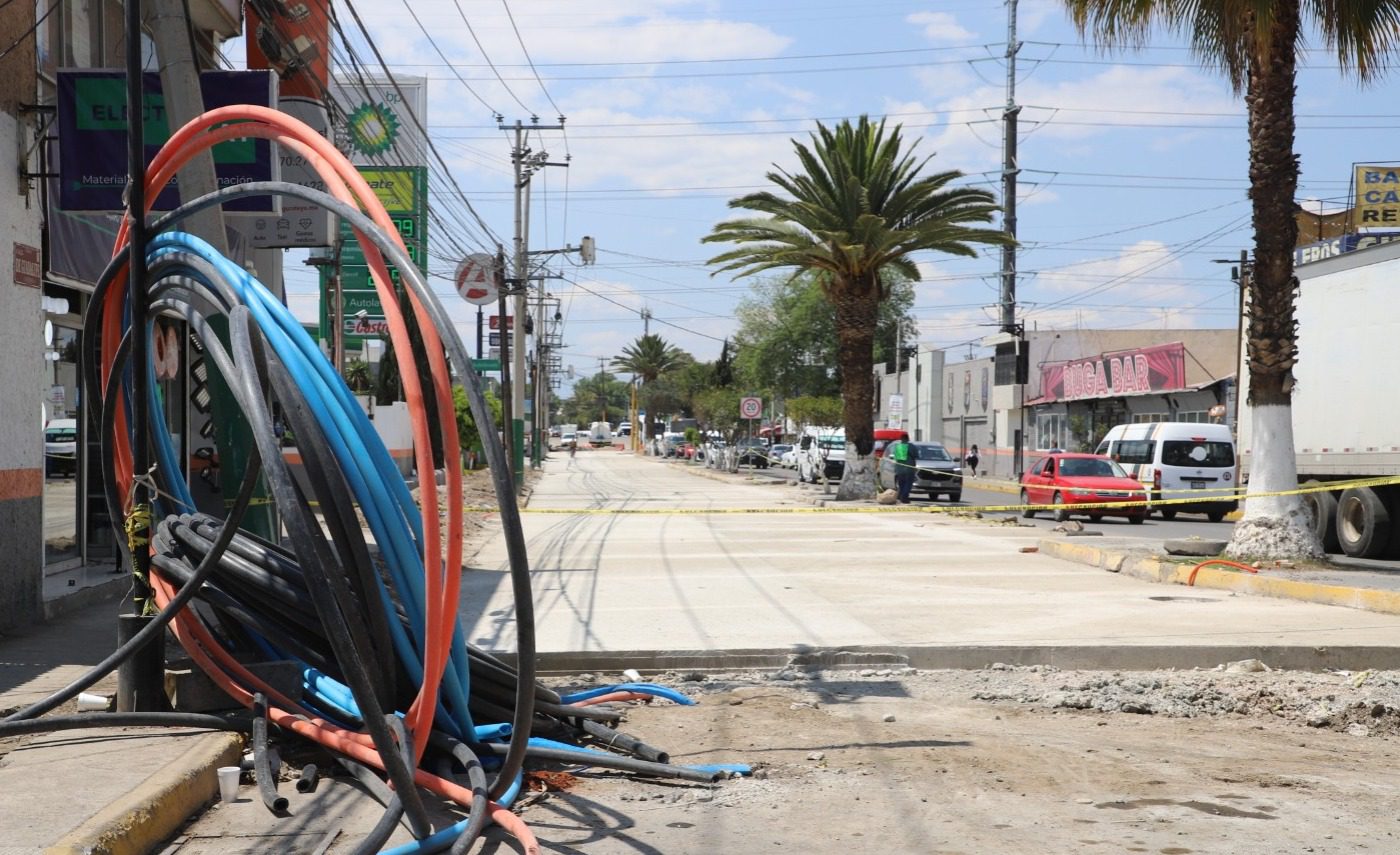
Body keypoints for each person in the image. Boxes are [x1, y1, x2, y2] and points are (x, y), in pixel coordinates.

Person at [890, 431, 915, 504]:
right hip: (909, 469)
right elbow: (916, 455)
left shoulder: (898, 446)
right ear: (908, 438)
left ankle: (901, 496)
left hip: (899, 469)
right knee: (908, 483)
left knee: (901, 483)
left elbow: (895, 457)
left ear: (901, 439)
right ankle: (904, 497)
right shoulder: (911, 446)